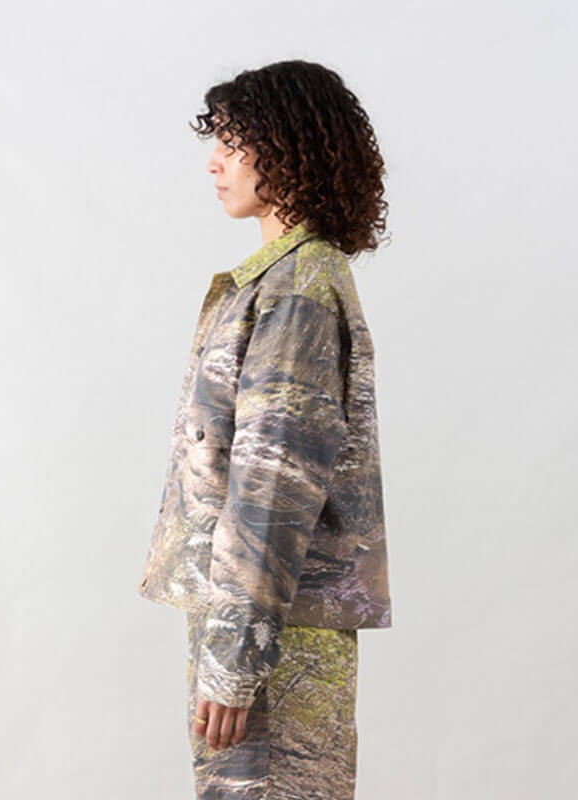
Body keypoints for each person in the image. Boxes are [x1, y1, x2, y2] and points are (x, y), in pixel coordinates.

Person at [137, 58, 393, 799]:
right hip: (263, 624)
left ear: (287, 150)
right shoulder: (282, 281)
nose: (214, 162)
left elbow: (273, 490)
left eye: (232, 143)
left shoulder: (298, 291)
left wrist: (235, 660)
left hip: (270, 638)